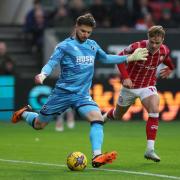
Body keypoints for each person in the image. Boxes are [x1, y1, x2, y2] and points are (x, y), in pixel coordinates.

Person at [11, 13, 148, 168]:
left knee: (97, 119)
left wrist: (128, 58)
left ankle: (97, 156)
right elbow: (52, 62)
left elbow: (106, 58)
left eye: (88, 32)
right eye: (83, 31)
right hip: (62, 94)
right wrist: (43, 74)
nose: (85, 34)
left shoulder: (92, 45)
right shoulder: (64, 46)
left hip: (81, 95)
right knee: (38, 125)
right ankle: (24, 114)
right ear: (76, 27)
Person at [103, 25, 175, 162]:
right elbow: (119, 57)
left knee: (154, 109)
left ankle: (150, 149)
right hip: (129, 87)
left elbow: (166, 59)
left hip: (148, 86)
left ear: (162, 40)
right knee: (118, 115)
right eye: (152, 42)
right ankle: (105, 116)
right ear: (148, 38)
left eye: (157, 43)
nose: (154, 45)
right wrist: (125, 77)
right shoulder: (137, 46)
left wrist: (171, 68)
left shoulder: (164, 50)